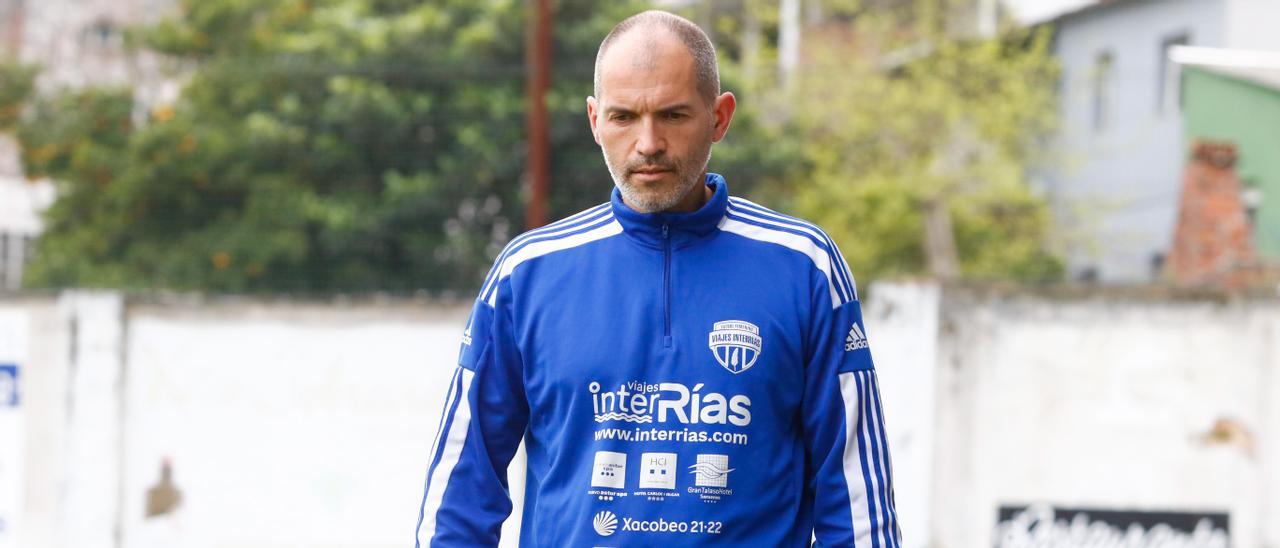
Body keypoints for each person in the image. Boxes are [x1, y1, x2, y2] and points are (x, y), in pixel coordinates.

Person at [414, 10, 899, 547]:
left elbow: (856, 497)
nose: (648, 143)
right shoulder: (527, 275)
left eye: (672, 115)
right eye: (624, 117)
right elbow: (461, 490)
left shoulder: (804, 267)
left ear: (719, 117)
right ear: (595, 120)